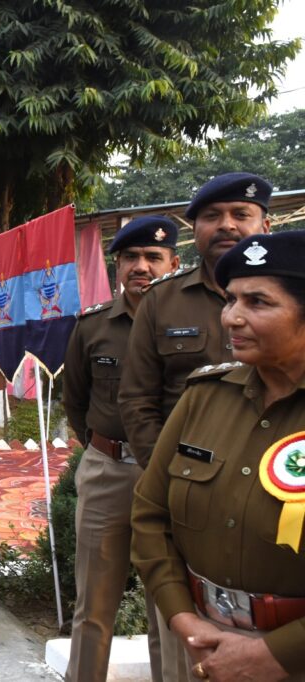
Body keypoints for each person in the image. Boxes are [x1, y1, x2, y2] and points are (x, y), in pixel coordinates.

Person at [131, 230, 305, 682]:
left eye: (258, 302)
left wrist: (278, 654)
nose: (231, 317)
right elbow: (150, 514)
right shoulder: (205, 396)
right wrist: (183, 619)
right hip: (201, 643)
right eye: (230, 300)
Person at [63, 215, 181, 681]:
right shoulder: (93, 326)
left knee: (168, 606)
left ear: (174, 263)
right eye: (130, 257)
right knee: (93, 605)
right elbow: (75, 401)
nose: (141, 267)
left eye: (153, 257)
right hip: (107, 471)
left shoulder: (190, 325)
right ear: (117, 266)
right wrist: (103, 450)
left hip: (174, 477)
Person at [120, 172, 272, 467]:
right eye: (212, 216)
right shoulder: (160, 299)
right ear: (195, 230)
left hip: (281, 467)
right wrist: (164, 470)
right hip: (187, 469)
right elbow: (137, 398)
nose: (226, 225)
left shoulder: (295, 296)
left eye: (241, 214)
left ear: (265, 227)